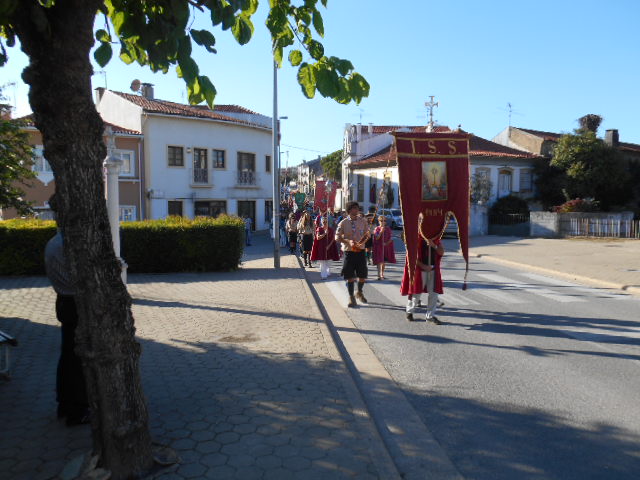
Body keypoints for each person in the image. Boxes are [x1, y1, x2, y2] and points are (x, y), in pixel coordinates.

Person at [44, 194, 90, 426]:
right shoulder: (67, 245)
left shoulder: (54, 242)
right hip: (75, 304)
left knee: (68, 356)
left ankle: (65, 404)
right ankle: (76, 410)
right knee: (76, 359)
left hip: (65, 302)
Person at [401, 235, 445, 324]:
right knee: (416, 293)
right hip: (419, 270)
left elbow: (441, 252)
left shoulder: (435, 237)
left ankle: (430, 316)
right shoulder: (416, 237)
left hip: (433, 269)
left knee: (434, 293)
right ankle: (409, 311)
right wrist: (423, 266)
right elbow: (410, 255)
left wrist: (433, 245)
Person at [335, 201, 370, 308]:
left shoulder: (363, 221)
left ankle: (359, 292)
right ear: (349, 210)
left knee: (362, 275)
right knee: (349, 276)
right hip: (349, 252)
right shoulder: (343, 223)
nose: (357, 210)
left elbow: (367, 235)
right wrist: (348, 241)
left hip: (360, 251)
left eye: (357, 208)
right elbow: (337, 237)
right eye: (354, 208)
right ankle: (351, 297)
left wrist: (362, 242)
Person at [311, 213, 341, 279]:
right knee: (322, 261)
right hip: (321, 247)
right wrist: (324, 234)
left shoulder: (331, 229)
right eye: (323, 222)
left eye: (326, 222)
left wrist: (329, 246)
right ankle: (323, 275)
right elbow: (318, 238)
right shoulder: (319, 229)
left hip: (329, 247)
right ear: (321, 222)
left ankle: (327, 271)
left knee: (328, 261)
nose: (324, 223)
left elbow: (333, 238)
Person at [372, 215, 396, 280]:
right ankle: (378, 275)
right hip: (378, 247)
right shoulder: (377, 229)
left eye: (384, 221)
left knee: (383, 262)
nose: (383, 222)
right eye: (381, 221)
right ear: (379, 221)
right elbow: (377, 237)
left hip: (385, 247)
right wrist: (381, 232)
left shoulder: (388, 229)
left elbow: (391, 238)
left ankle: (382, 274)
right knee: (379, 261)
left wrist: (386, 243)